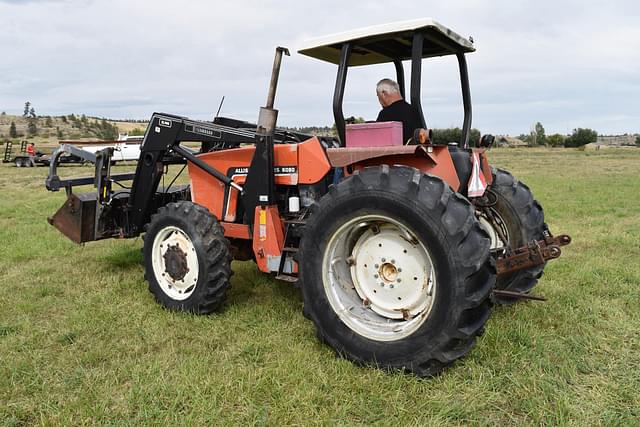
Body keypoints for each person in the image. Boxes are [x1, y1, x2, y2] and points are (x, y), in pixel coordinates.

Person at [376, 78, 423, 144]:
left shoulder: (385, 114)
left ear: (384, 93)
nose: (379, 100)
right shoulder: (414, 110)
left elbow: (378, 140)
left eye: (378, 96)